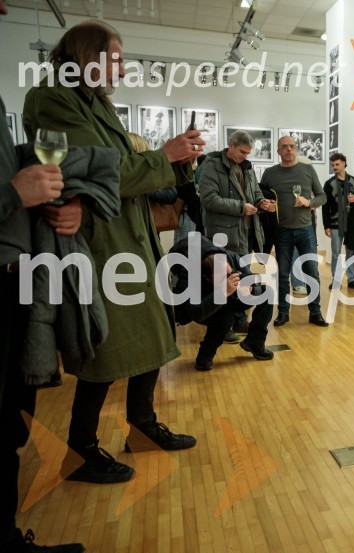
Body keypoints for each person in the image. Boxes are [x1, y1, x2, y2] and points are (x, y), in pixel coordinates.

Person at [23, 20, 200, 484]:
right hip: (100, 244)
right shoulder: (52, 99)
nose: (121, 70)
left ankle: (141, 426)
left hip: (130, 240)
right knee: (104, 348)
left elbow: (122, 168)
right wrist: (163, 156)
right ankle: (80, 449)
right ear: (87, 55)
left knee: (154, 337)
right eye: (115, 59)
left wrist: (175, 163)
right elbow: (102, 171)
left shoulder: (96, 102)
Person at [1, 8, 87, 551]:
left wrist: (66, 199)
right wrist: (15, 193)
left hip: (14, 266)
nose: (6, 8)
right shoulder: (49, 99)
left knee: (10, 423)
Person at [199, 130, 276, 339]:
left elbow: (255, 193)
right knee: (226, 280)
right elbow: (208, 199)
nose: (245, 156)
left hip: (248, 233)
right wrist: (240, 208)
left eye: (248, 153)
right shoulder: (212, 165)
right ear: (230, 145)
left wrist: (262, 203)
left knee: (242, 279)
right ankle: (224, 326)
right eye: (242, 152)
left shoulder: (248, 168)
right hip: (223, 235)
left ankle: (238, 320)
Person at [170, 236, 274, 371]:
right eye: (222, 278)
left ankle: (254, 342)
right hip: (206, 302)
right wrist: (222, 292)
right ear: (207, 277)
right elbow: (196, 313)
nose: (229, 278)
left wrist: (251, 289)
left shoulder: (232, 258)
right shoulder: (189, 274)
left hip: (229, 296)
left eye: (230, 274)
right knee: (225, 316)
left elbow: (252, 282)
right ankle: (204, 356)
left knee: (267, 293)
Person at [261, 135, 328, 327]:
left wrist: (310, 202)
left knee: (311, 272)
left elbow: (322, 196)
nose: (288, 150)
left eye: (291, 146)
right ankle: (283, 312)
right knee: (282, 274)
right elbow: (260, 196)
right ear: (278, 151)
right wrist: (265, 204)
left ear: (296, 149)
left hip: (306, 229)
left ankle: (315, 312)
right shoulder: (270, 173)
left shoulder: (307, 169)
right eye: (284, 147)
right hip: (281, 231)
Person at [323, 153, 354, 291]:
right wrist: (326, 226)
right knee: (336, 252)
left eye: (337, 164)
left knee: (351, 252)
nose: (335, 167)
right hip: (335, 223)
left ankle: (352, 279)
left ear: (344, 163)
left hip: (352, 223)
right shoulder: (329, 184)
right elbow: (325, 206)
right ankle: (336, 279)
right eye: (332, 165)